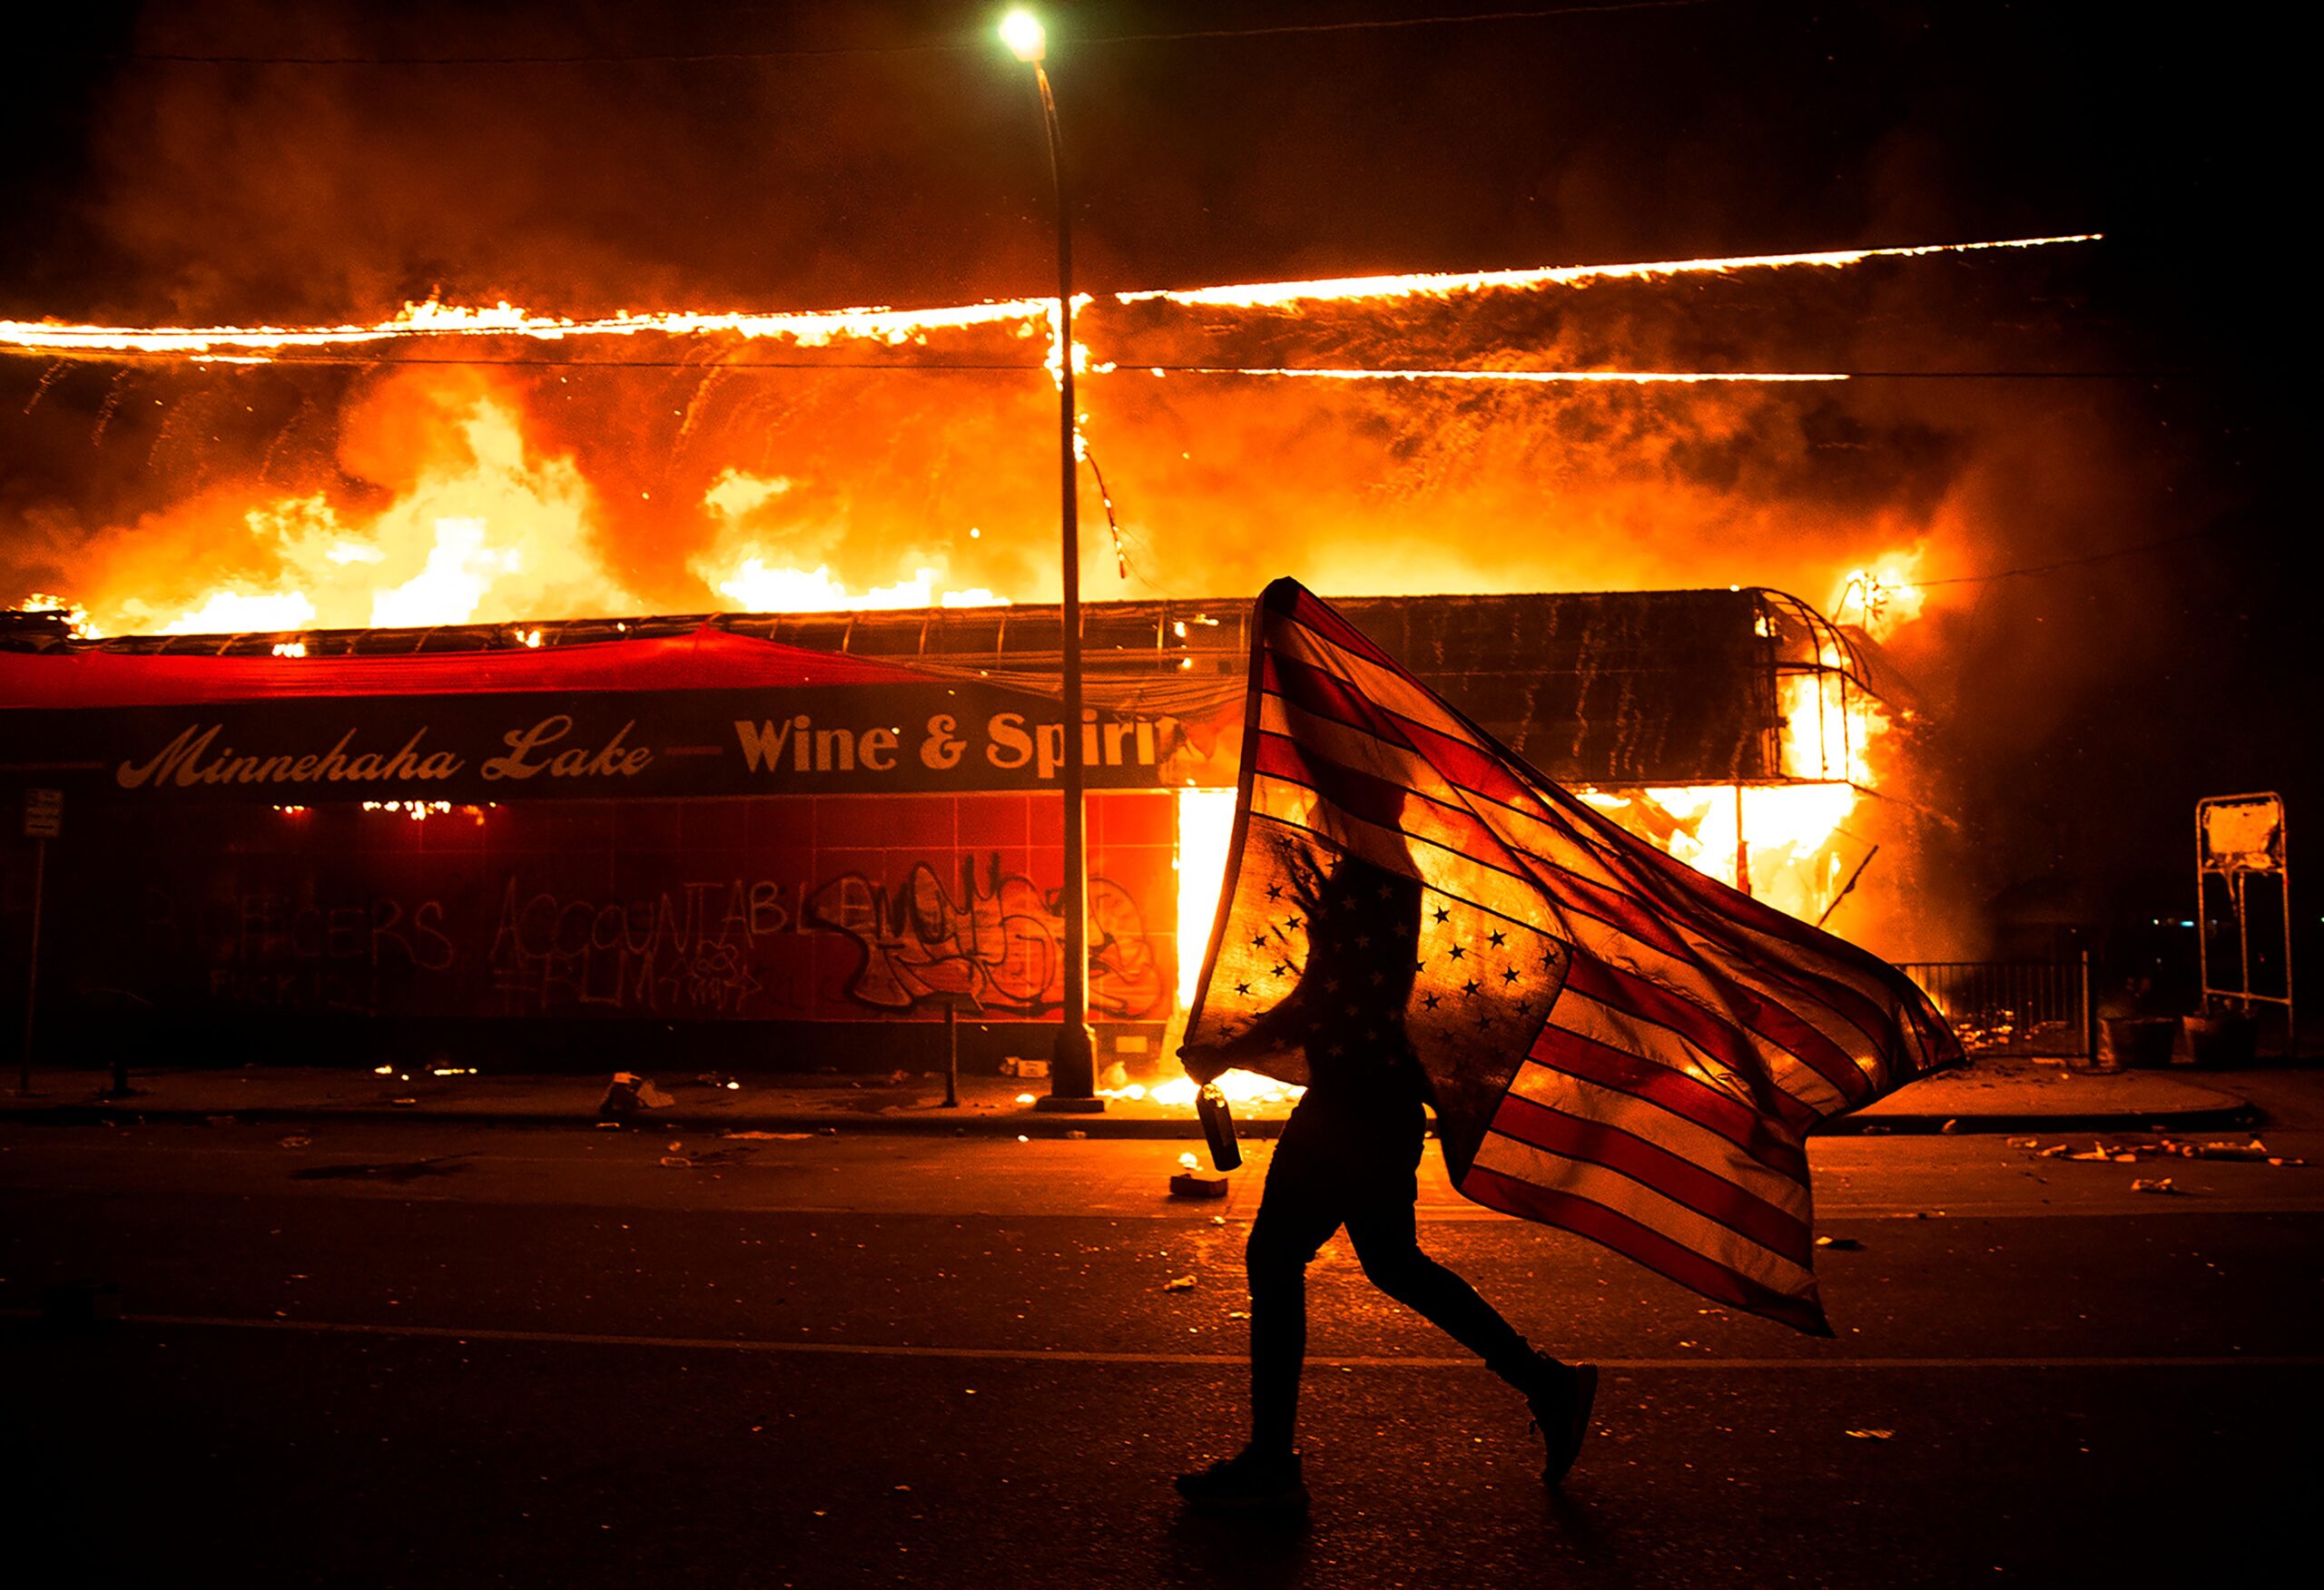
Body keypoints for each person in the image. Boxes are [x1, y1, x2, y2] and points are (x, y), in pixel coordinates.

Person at [1175, 846, 1596, 1512]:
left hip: (1353, 1107)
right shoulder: (1378, 869)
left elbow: (1323, 1001)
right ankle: (1546, 1383)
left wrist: (1226, 1051)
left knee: (1278, 1259)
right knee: (1392, 1262)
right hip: (1373, 1102)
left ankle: (1272, 1466)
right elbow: (1330, 998)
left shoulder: (1370, 875)